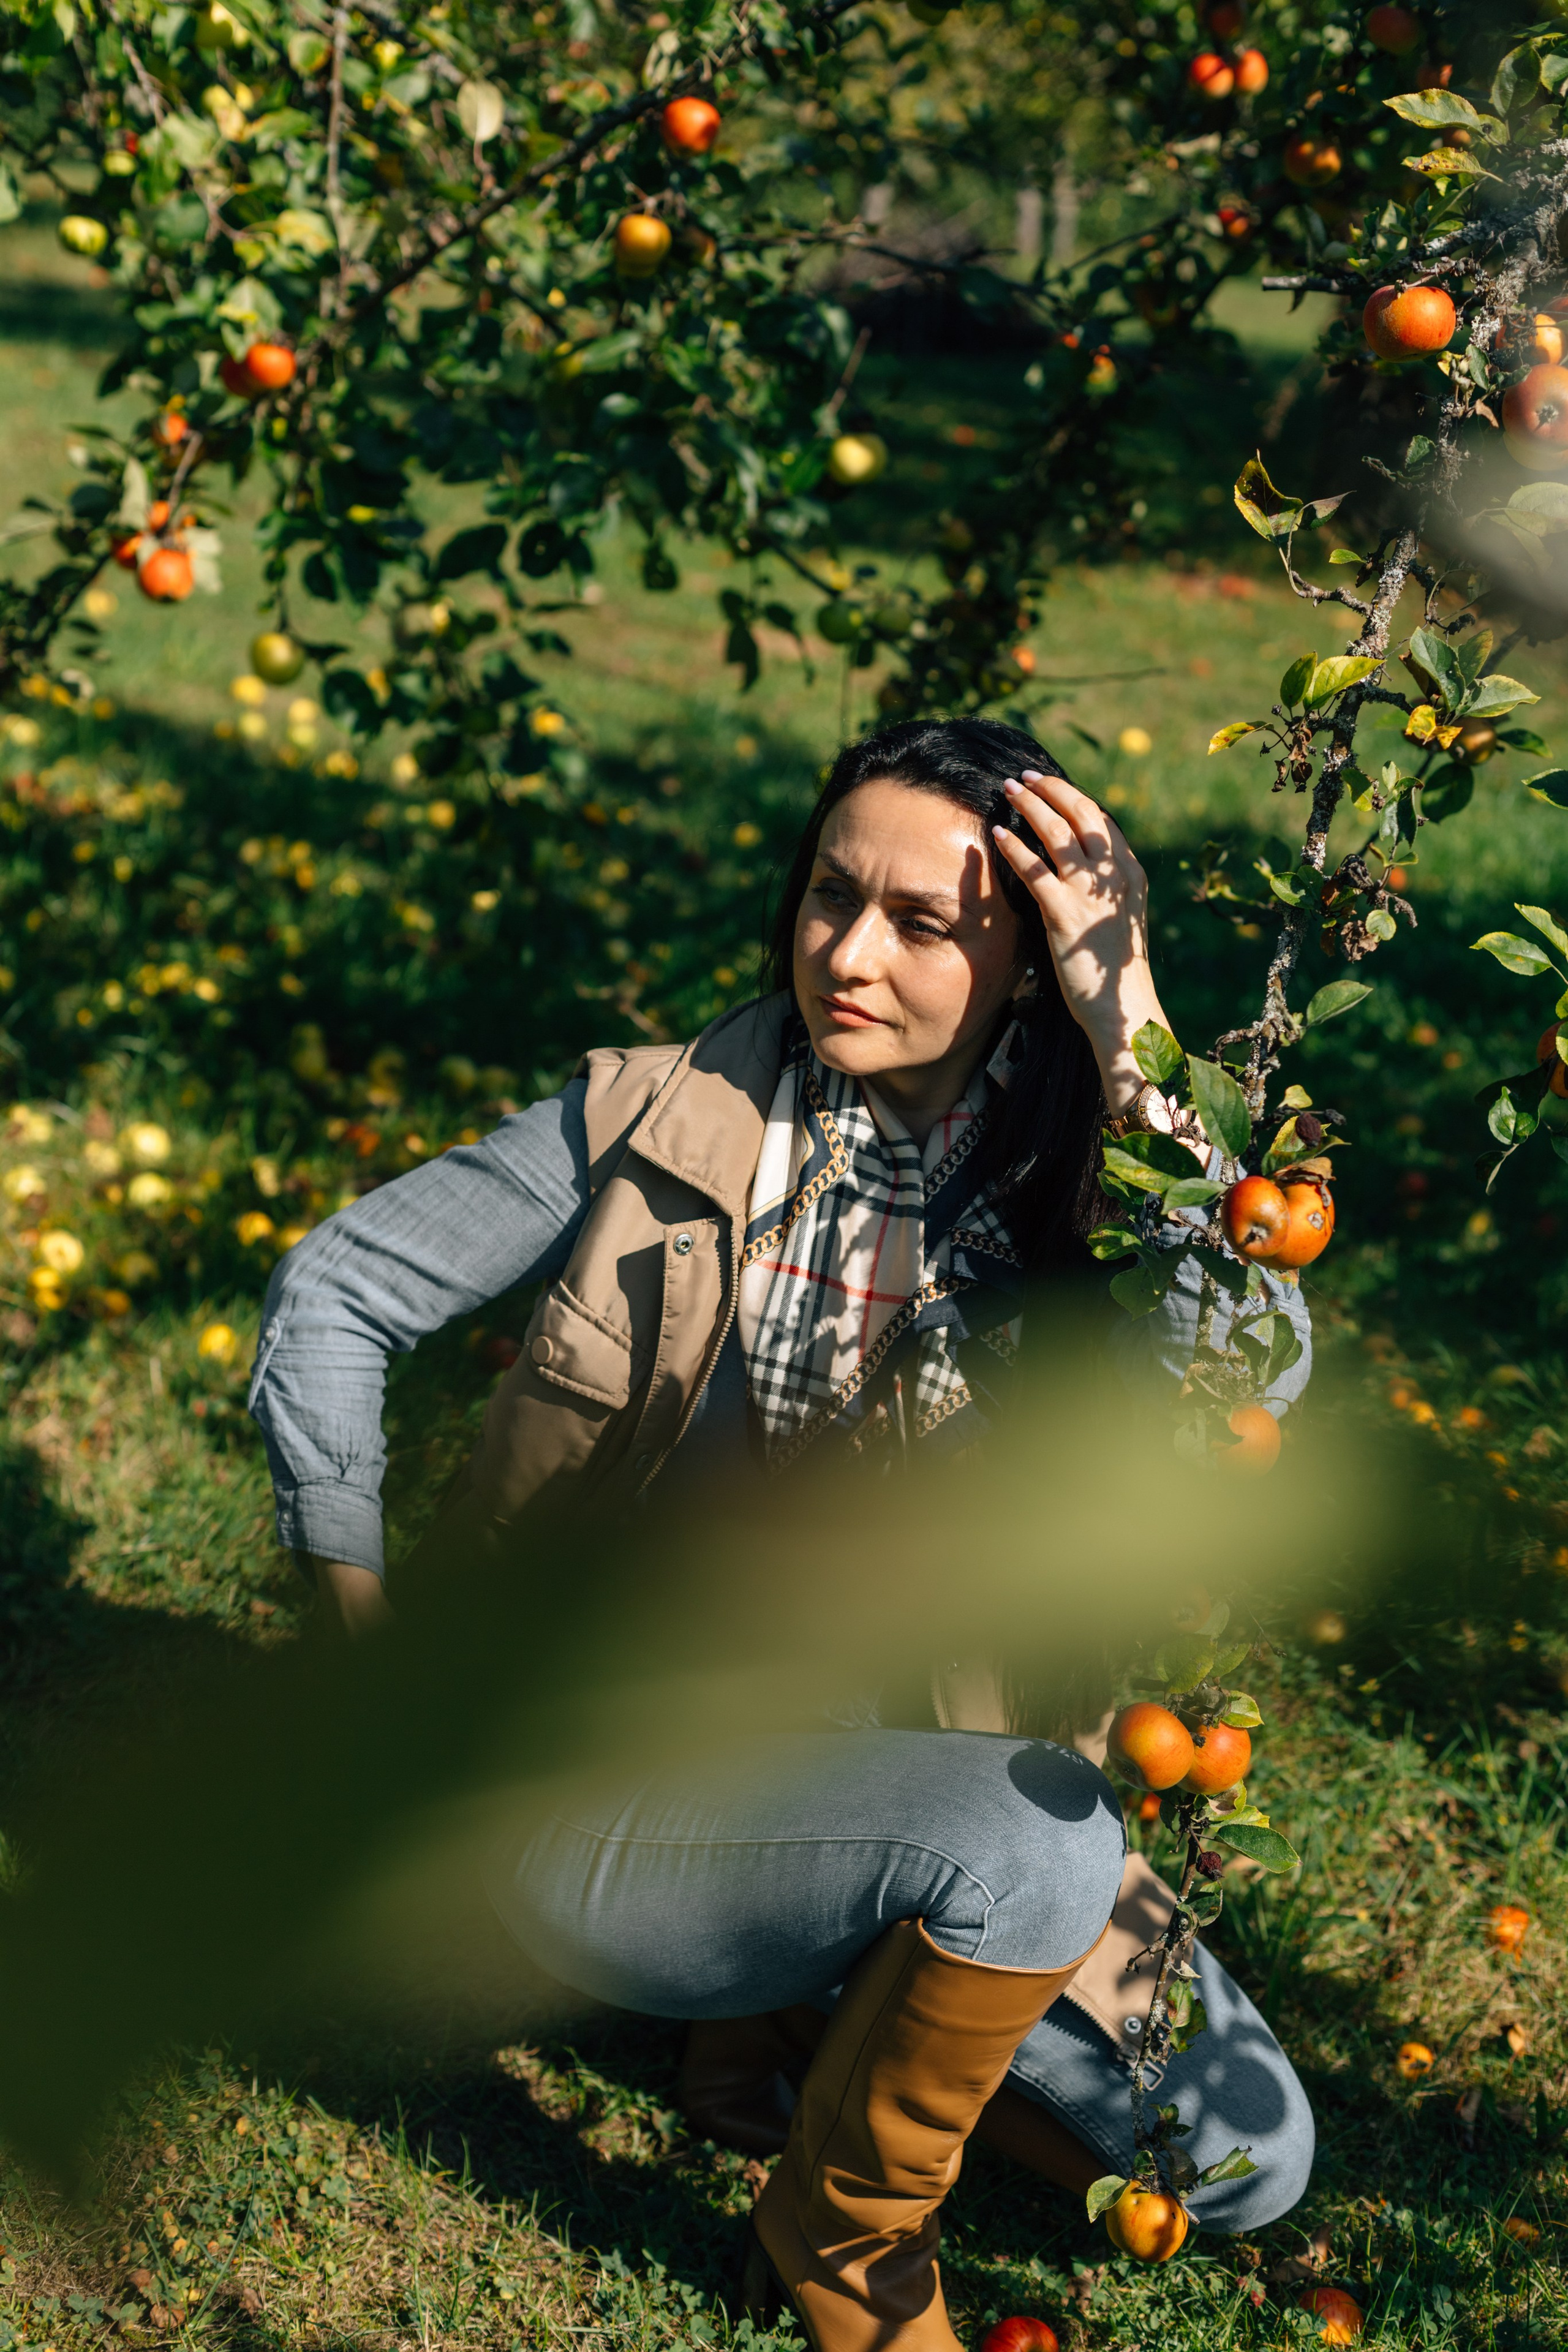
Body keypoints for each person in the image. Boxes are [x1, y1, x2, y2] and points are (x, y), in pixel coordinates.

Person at [249, 718, 1313, 2350]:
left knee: (1243, 2163)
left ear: (1027, 962)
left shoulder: (1078, 1190)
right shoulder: (668, 1124)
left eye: (923, 922)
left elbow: (1260, 1380)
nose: (849, 954)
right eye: (832, 895)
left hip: (926, 1774)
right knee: (1036, 1845)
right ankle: (844, 2243)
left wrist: (1136, 1024)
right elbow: (338, 1293)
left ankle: (793, 2022)